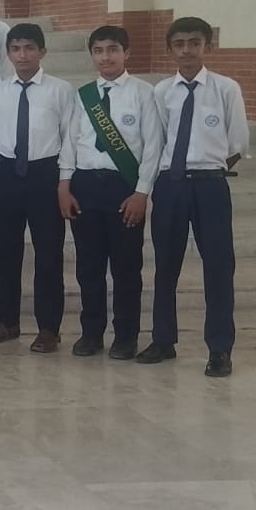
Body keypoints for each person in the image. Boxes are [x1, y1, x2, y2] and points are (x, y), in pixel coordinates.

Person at [141, 17, 248, 378]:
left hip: (210, 186)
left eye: (194, 43)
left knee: (218, 267)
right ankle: (163, 339)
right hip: (170, 186)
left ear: (208, 46)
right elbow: (157, 141)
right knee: (165, 266)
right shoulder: (161, 93)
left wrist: (207, 169)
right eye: (179, 43)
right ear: (170, 49)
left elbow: (237, 144)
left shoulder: (226, 89)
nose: (186, 50)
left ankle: (219, 349)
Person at [57, 26, 162, 360]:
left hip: (124, 188)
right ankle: (91, 333)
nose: (106, 56)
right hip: (85, 186)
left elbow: (153, 148)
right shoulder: (82, 94)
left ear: (126, 53)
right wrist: (65, 184)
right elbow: (70, 142)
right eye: (99, 50)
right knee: (88, 266)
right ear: (91, 55)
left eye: (113, 49)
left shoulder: (144, 93)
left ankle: (126, 336)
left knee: (126, 267)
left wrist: (141, 193)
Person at [0, 24, 73, 352]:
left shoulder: (61, 91)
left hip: (44, 173)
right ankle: (8, 321)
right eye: (16, 49)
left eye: (29, 48)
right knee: (6, 253)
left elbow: (69, 140)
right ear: (8, 53)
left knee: (48, 254)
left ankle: (49, 328)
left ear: (42, 52)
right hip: (6, 173)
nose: (22, 55)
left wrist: (64, 181)